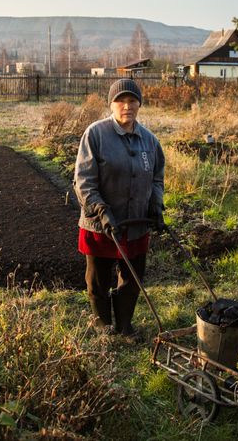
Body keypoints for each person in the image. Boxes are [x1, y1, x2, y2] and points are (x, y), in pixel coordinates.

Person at [74, 78, 165, 337]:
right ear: (111, 104)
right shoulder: (95, 134)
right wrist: (101, 211)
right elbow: (84, 180)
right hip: (101, 222)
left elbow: (157, 177)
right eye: (121, 101)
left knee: (132, 277)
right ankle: (103, 324)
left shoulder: (150, 140)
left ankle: (125, 324)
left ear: (139, 105)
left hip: (136, 223)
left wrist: (155, 205)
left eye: (132, 101)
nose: (127, 106)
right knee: (98, 279)